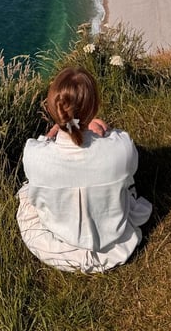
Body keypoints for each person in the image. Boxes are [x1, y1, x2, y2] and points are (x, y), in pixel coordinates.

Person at [16, 66, 152, 272]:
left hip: (58, 242)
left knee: (28, 191)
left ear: (53, 108)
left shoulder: (34, 154)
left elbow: (62, 139)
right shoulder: (121, 147)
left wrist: (52, 133)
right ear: (95, 105)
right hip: (114, 241)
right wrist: (103, 130)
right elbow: (129, 175)